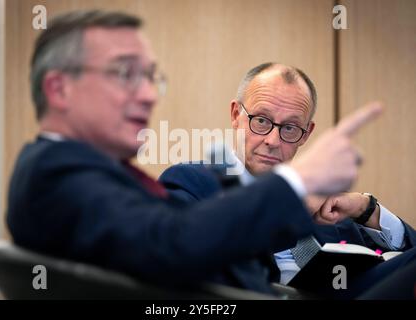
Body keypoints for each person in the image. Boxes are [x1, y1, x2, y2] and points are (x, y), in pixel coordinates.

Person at [7, 10, 382, 297]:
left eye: (151, 77)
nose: (148, 95)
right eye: (124, 74)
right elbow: (175, 245)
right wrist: (300, 180)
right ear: (59, 90)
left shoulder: (97, 173)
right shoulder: (56, 172)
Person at [159, 63, 416, 298]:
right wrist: (289, 207)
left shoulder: (326, 202)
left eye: (290, 128)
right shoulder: (192, 182)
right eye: (261, 121)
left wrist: (365, 208)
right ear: (236, 115)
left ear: (307, 134)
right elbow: (190, 257)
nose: (272, 141)